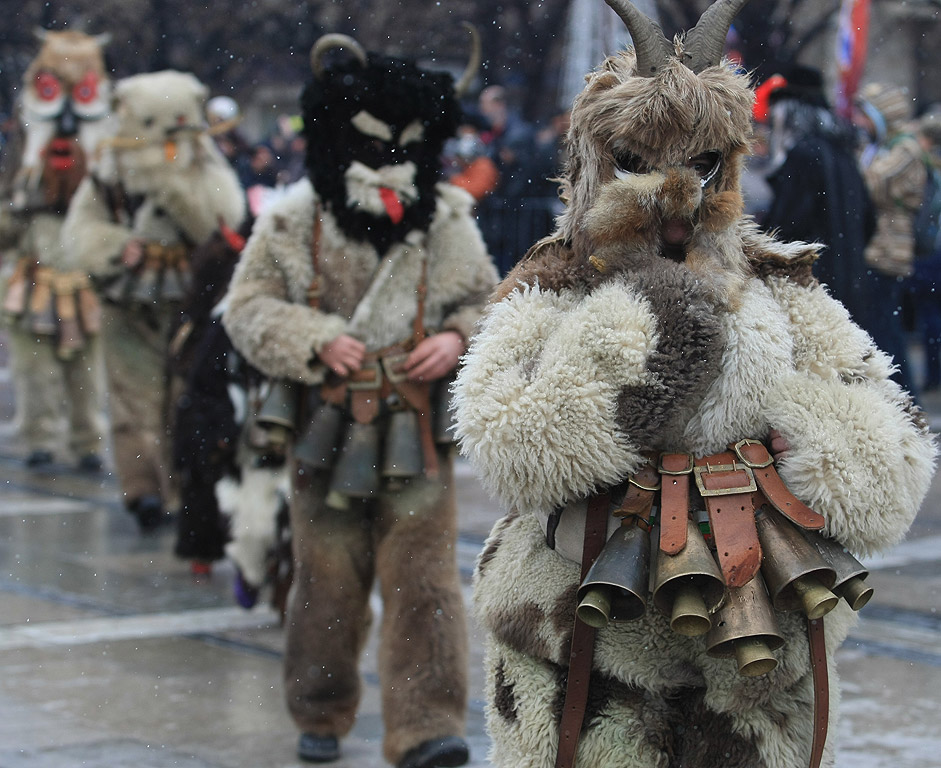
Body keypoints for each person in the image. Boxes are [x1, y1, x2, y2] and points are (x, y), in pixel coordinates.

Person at [451, 2, 937, 767]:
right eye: (640, 164)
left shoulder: (779, 283)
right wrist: (630, 362)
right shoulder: (554, 279)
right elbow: (505, 441)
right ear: (598, 163)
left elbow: (893, 454)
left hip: (757, 651)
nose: (675, 193)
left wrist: (802, 438)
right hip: (582, 639)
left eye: (703, 164)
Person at [222, 33, 498, 767]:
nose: (391, 165)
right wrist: (311, 338)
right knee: (327, 581)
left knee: (428, 585)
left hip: (416, 423)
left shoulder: (445, 219)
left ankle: (426, 726)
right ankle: (319, 709)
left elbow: (486, 298)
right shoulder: (291, 220)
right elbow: (244, 308)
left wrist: (457, 335)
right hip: (327, 425)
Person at [61, 70, 245, 530]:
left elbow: (222, 219)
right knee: (132, 401)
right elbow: (79, 230)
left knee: (185, 397)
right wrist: (113, 246)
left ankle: (186, 487)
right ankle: (143, 489)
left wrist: (172, 184)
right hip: (128, 297)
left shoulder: (204, 162)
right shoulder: (109, 169)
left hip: (191, 299)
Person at [0, 29, 109, 471]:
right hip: (33, 282)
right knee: (34, 372)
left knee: (86, 375)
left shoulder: (101, 188)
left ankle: (87, 442)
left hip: (85, 285)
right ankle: (40, 437)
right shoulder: (23, 176)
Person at [762, 65, 876, 327]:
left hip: (812, 290)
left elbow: (785, 229)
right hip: (849, 288)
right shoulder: (842, 153)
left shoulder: (803, 155)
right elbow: (869, 221)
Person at [855, 82, 925, 398]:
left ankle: (907, 401)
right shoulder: (884, 146)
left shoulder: (905, 148)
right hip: (877, 249)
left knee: (887, 334)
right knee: (881, 330)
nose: (861, 122)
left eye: (867, 115)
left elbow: (870, 182)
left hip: (888, 252)